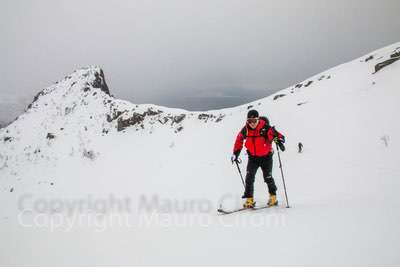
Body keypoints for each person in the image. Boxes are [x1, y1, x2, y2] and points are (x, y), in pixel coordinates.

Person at [231, 110, 285, 208]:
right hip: (253, 158)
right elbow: (239, 140)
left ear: (258, 119)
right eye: (249, 120)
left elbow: (278, 136)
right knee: (249, 178)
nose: (252, 123)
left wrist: (279, 140)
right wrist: (235, 153)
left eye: (254, 120)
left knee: (268, 177)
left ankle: (273, 197)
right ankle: (249, 200)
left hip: (266, 157)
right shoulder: (246, 129)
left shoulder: (266, 129)